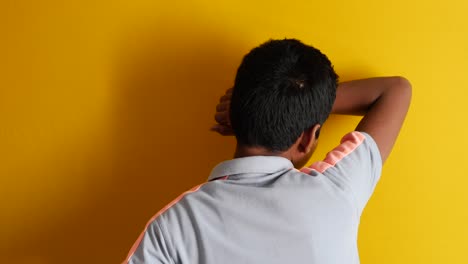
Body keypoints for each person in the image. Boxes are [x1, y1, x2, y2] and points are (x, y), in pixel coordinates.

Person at [123, 39, 412, 264]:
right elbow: (396, 91)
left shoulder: (176, 222)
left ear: (236, 116)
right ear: (310, 137)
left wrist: (266, 104)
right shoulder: (337, 189)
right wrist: (301, 105)